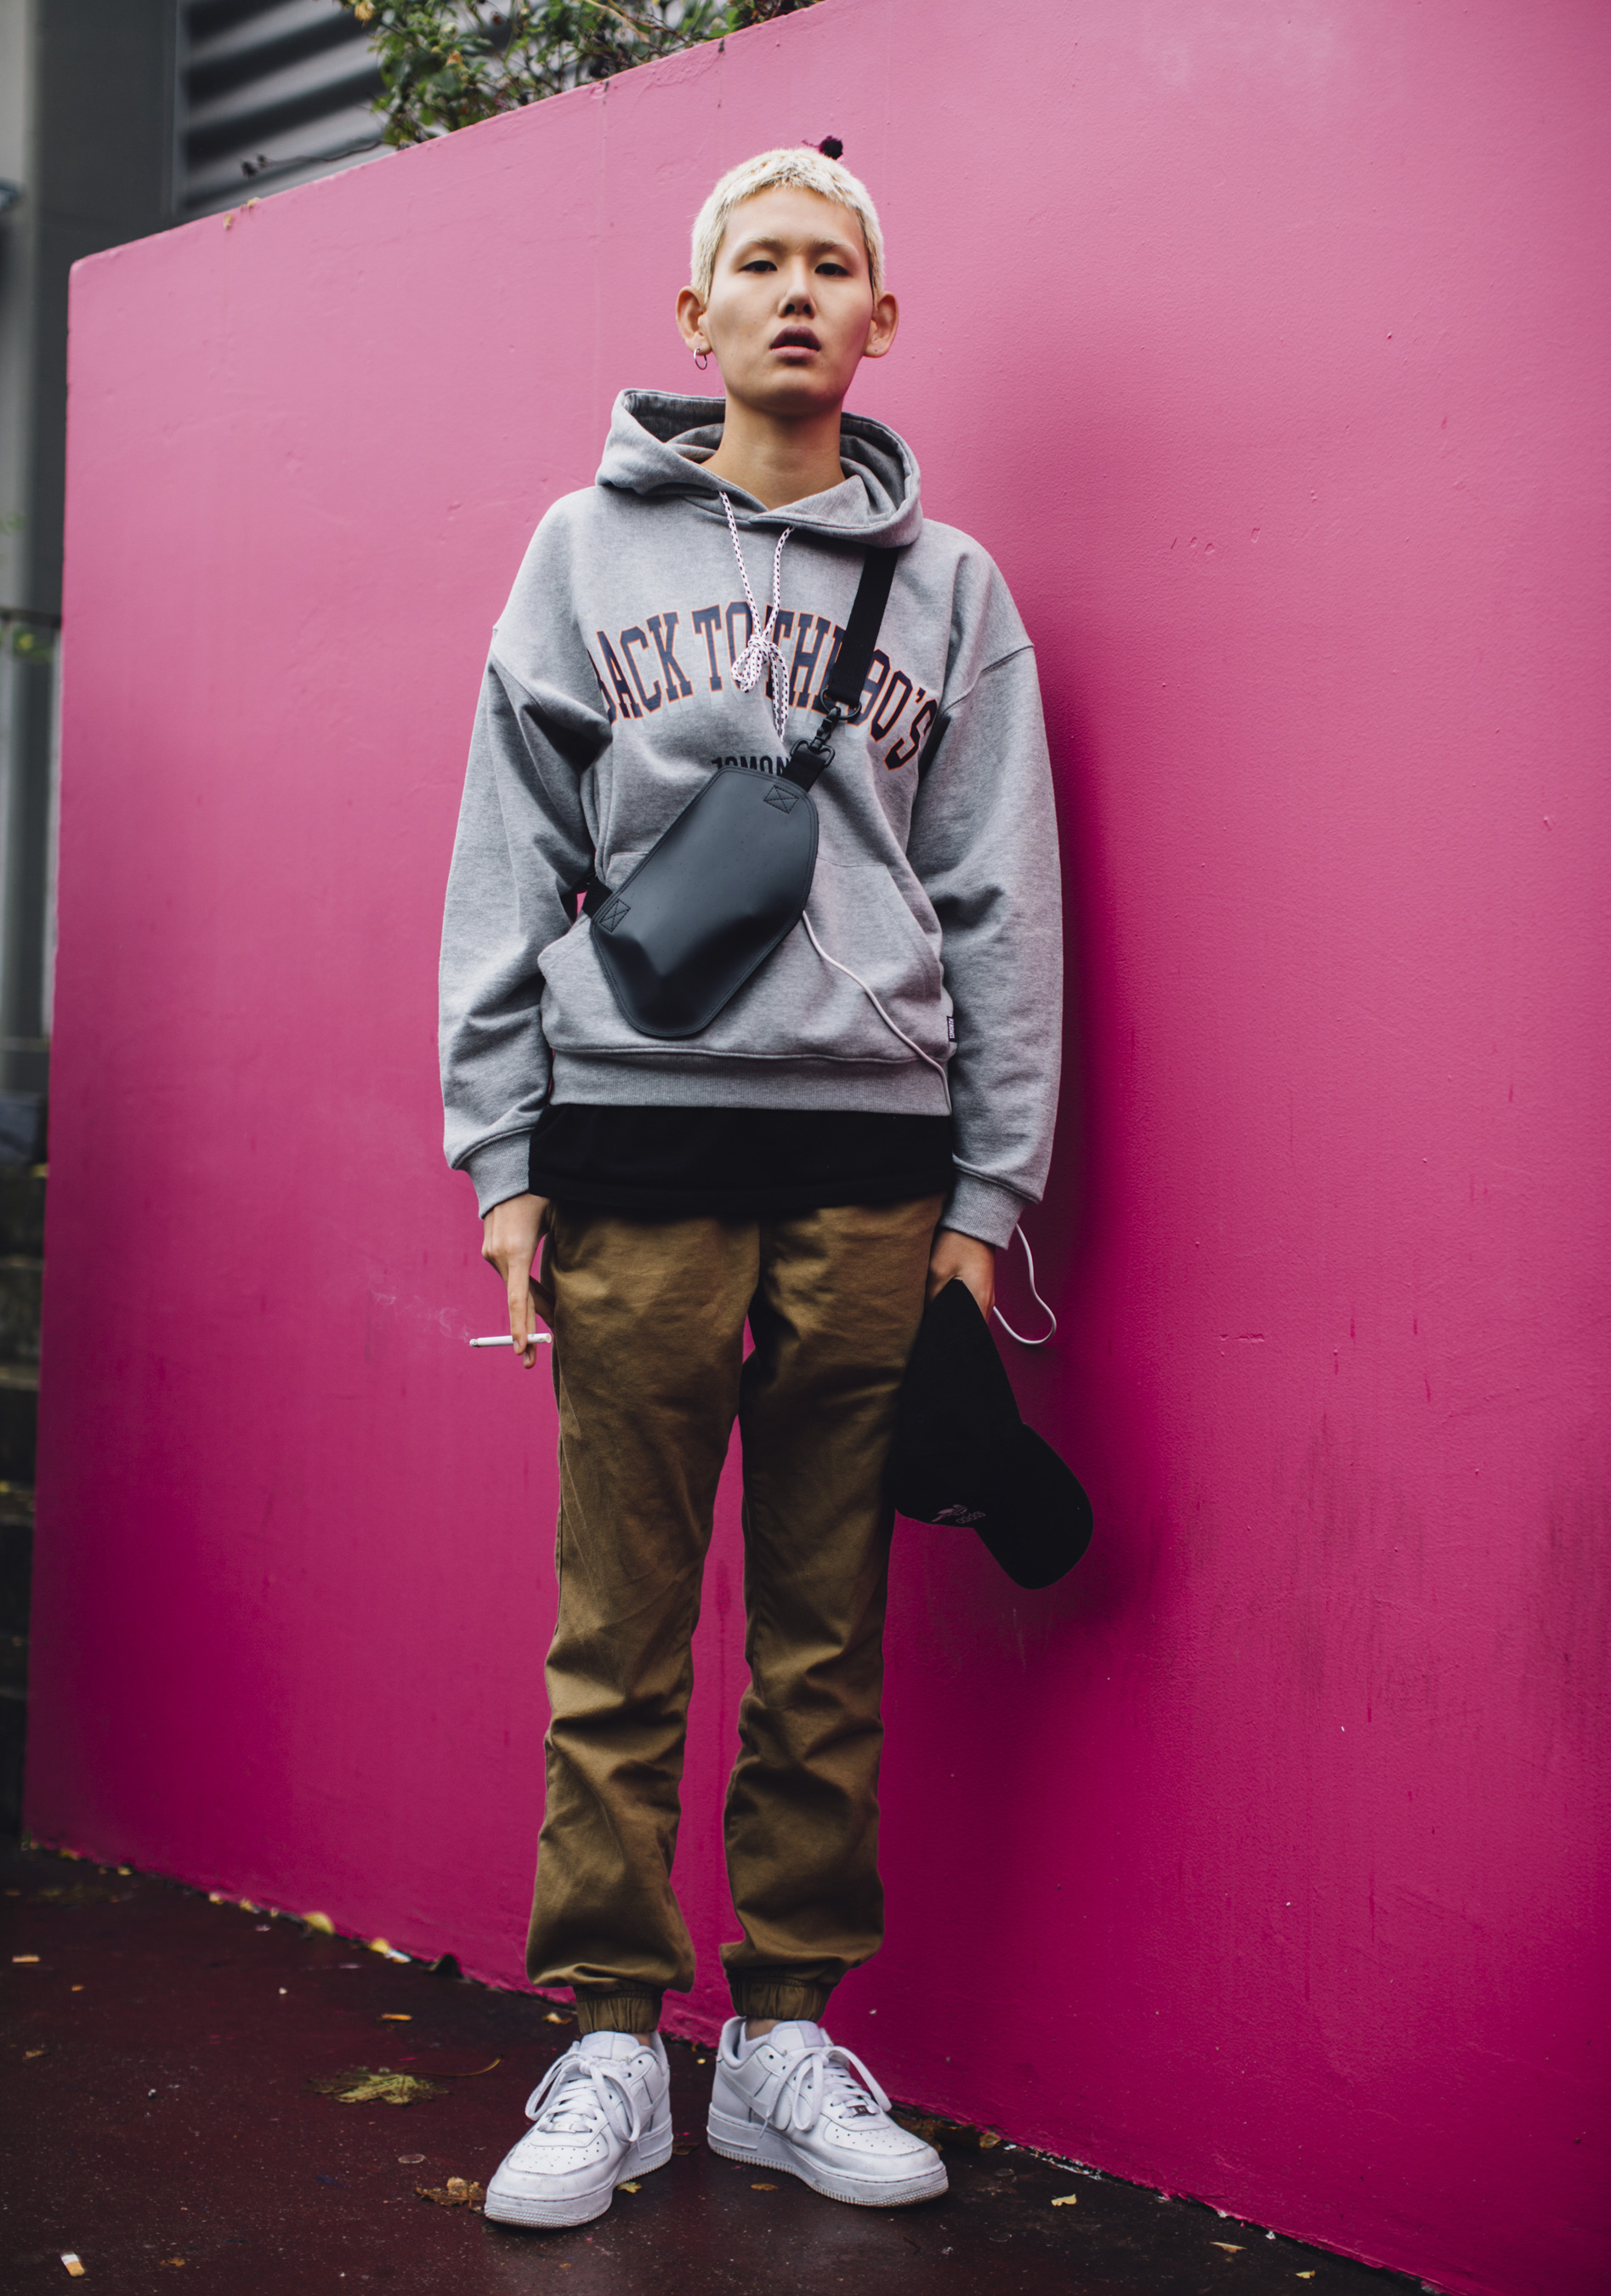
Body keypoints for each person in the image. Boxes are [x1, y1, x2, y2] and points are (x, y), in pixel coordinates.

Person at [439, 145, 1061, 2231]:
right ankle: (616, 2038)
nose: (798, 291)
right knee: (617, 1619)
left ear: (883, 320)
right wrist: (502, 1155)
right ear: (694, 316)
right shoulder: (580, 548)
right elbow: (510, 854)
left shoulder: (955, 590)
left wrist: (987, 1197)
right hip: (635, 1148)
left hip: (875, 1167)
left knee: (824, 1626)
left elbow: (1001, 900)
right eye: (761, 263)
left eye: (834, 264)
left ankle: (781, 2037)